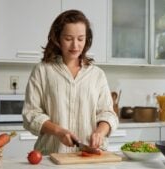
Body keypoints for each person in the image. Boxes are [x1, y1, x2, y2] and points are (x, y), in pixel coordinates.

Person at [22, 9, 119, 155]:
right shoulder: (42, 71)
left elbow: (108, 113)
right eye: (68, 38)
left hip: (90, 156)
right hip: (52, 155)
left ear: (87, 40)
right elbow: (31, 114)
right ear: (57, 38)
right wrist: (58, 131)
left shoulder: (97, 75)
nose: (75, 45)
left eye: (80, 39)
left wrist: (100, 132)